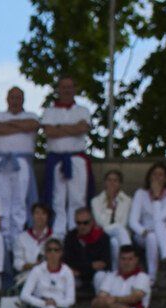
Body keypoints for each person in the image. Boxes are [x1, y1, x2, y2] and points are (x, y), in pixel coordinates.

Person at [0, 88, 38, 258]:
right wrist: (19, 127)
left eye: (18, 97)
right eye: (12, 97)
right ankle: (4, 240)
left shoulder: (31, 115)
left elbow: (31, 125)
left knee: (19, 202)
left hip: (22, 163)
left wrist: (9, 125)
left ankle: (17, 240)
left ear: (23, 99)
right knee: (2, 202)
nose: (15, 100)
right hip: (1, 164)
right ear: (6, 98)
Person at [40, 75, 94, 234]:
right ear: (58, 89)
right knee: (58, 200)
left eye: (69, 87)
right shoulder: (50, 111)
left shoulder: (82, 110)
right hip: (56, 158)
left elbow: (82, 129)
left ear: (75, 89)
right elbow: (49, 132)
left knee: (78, 199)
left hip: (77, 158)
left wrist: (59, 128)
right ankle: (58, 234)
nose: (66, 90)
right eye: (63, 87)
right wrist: (72, 128)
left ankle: (75, 232)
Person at [131, 162, 166, 278]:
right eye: (154, 174)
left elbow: (159, 218)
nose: (157, 177)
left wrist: (157, 197)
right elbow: (132, 221)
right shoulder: (140, 194)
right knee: (151, 237)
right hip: (144, 233)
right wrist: (144, 232)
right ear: (149, 177)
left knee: (158, 227)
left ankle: (154, 274)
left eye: (161, 175)